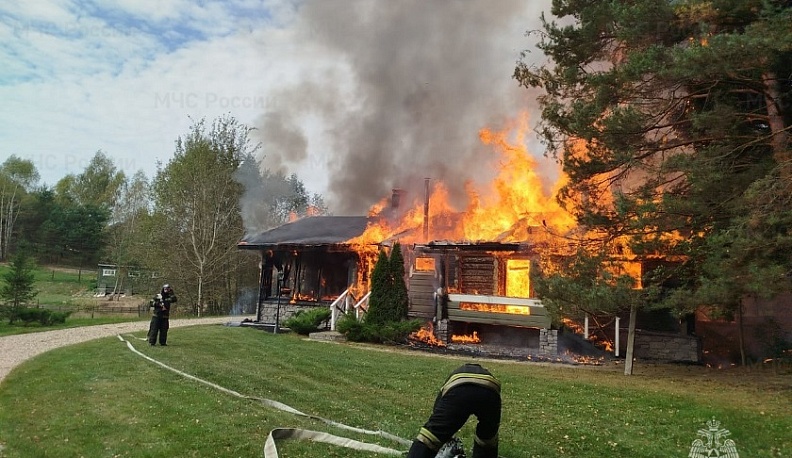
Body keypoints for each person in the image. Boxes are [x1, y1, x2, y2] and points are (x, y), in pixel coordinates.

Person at [407, 363, 501, 458]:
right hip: (491, 391)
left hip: (459, 390)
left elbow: (437, 411)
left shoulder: (450, 382)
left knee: (430, 437)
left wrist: (441, 433)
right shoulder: (487, 376)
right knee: (488, 438)